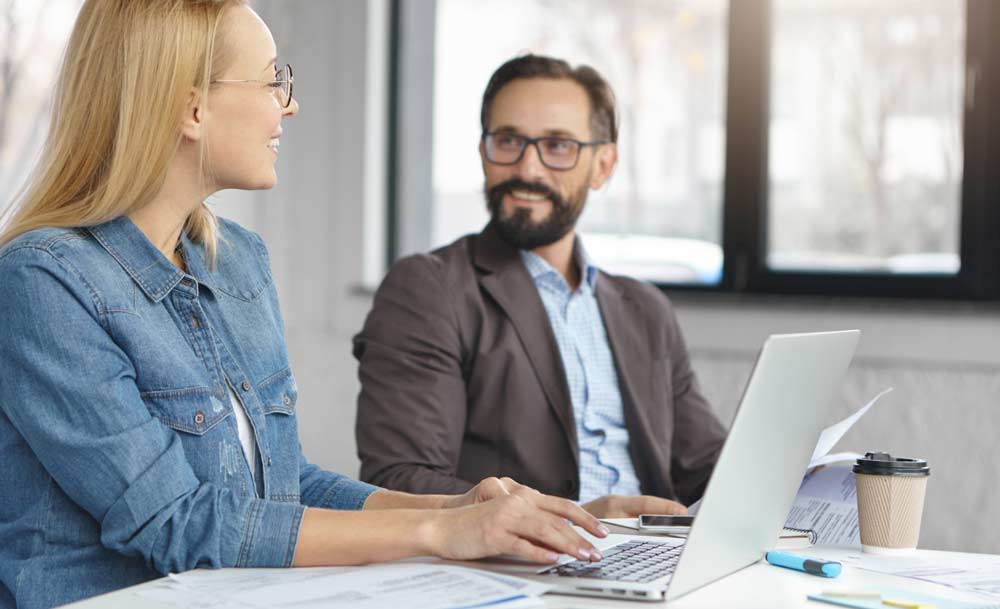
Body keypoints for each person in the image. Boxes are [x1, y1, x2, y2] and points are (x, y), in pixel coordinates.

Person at [0, 6, 607, 609]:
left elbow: (281, 488)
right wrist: (436, 533)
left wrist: (459, 508)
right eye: (271, 80)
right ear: (191, 108)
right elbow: (179, 523)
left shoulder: (235, 259)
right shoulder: (43, 282)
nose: (287, 105)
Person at [354, 54, 728, 518]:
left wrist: (807, 480)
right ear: (483, 150)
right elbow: (401, 481)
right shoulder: (430, 290)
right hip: (521, 571)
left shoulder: (645, 309)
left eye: (557, 146)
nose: (528, 169)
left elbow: (712, 470)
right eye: (508, 140)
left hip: (656, 561)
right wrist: (574, 519)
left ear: (603, 165)